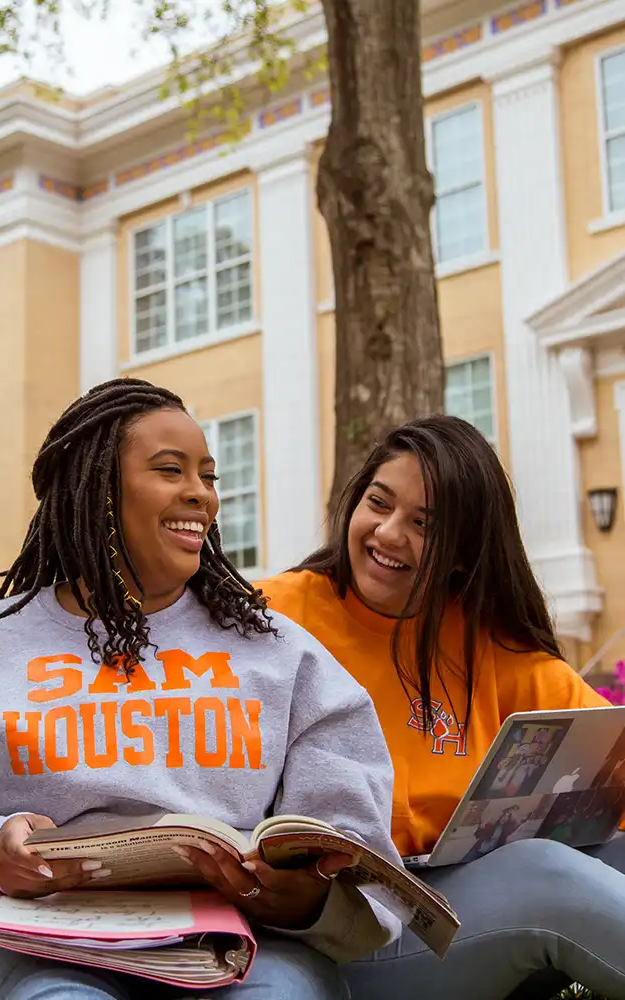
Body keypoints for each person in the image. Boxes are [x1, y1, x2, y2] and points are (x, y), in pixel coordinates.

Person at [0, 377, 406, 1000]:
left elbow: (360, 864)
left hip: (235, 948)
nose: (199, 494)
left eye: (208, 476)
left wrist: (303, 897)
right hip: (26, 949)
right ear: (95, 491)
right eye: (170, 470)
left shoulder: (283, 654)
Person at [256, 415, 625, 1000]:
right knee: (543, 875)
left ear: (463, 553)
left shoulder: (486, 640)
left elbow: (612, 751)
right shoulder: (272, 618)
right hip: (345, 935)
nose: (389, 533)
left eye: (423, 525)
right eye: (379, 503)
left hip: (466, 902)